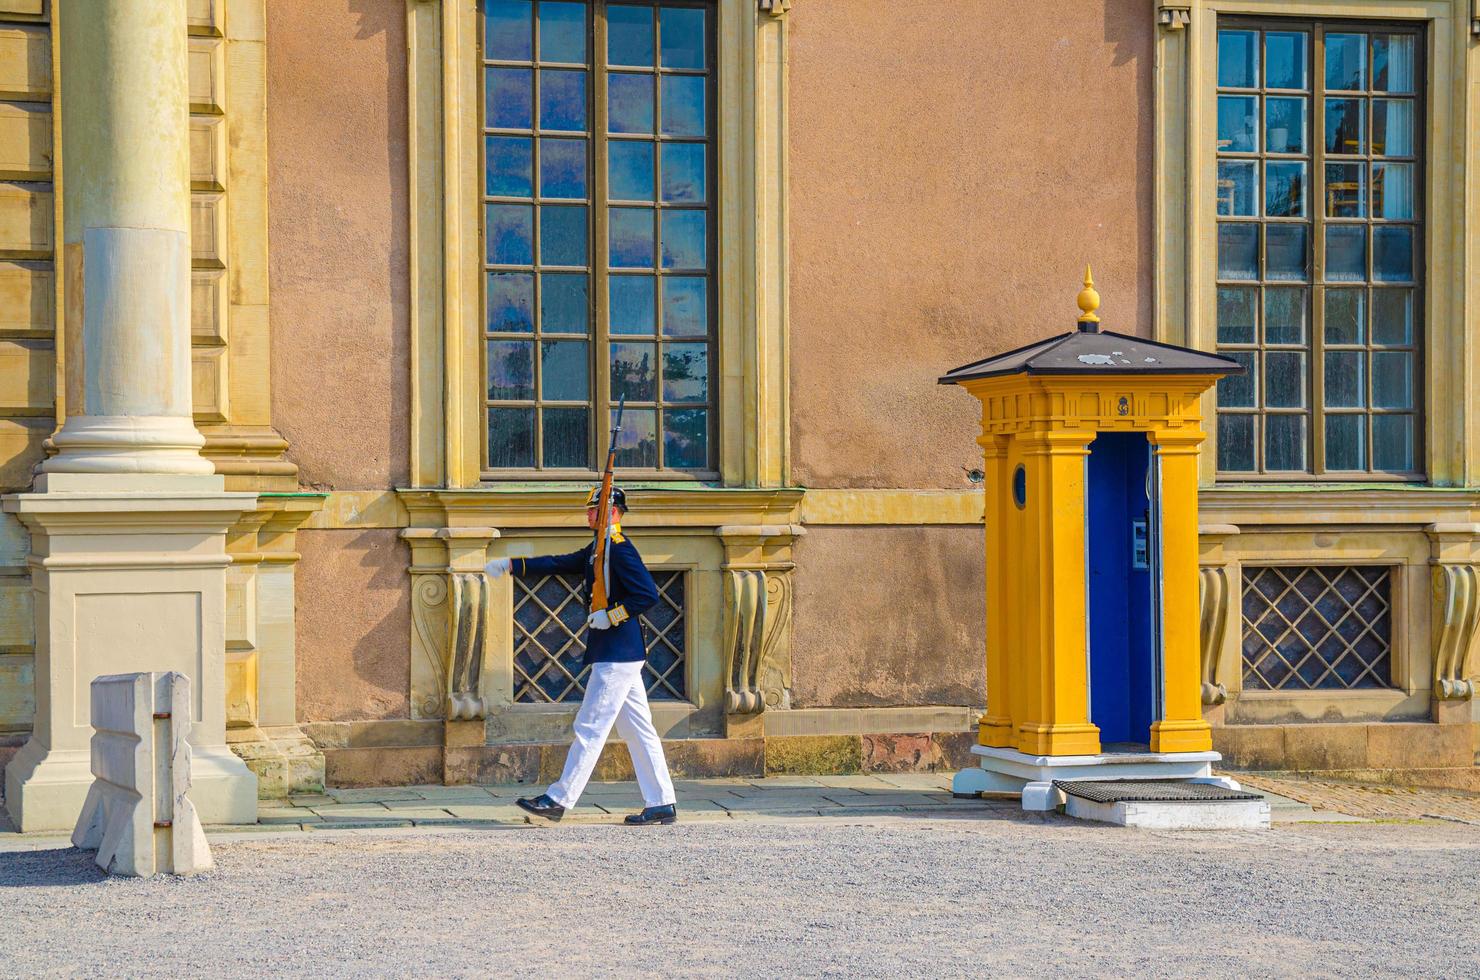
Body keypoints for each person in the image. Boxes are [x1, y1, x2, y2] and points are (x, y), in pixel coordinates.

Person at [484, 486, 678, 826]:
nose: (588, 514)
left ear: (613, 513)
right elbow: (562, 562)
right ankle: (661, 802)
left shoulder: (618, 550)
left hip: (617, 652)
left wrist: (612, 615)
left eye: (595, 509)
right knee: (638, 731)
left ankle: (559, 798)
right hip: (620, 652)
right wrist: (513, 565)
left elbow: (647, 595)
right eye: (589, 509)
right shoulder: (599, 549)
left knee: (590, 726)